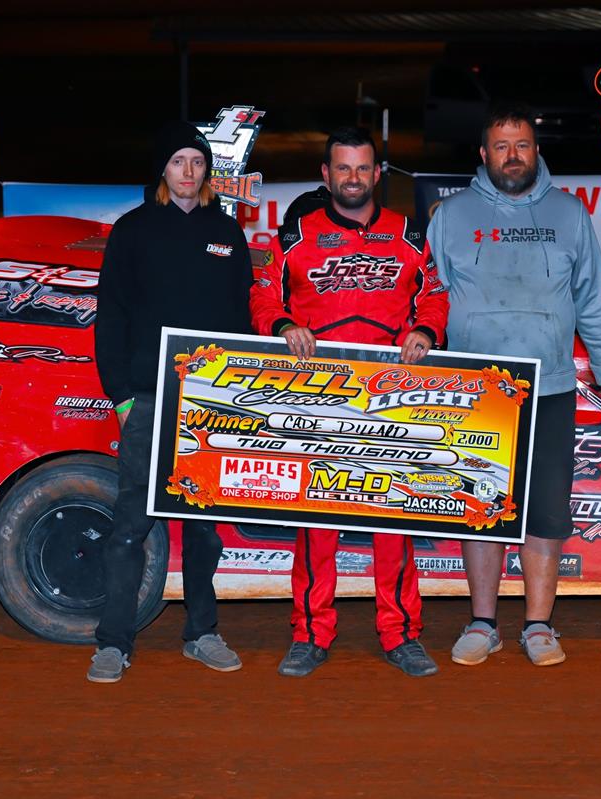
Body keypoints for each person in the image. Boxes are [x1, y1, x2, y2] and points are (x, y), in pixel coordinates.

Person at [426, 102, 601, 667]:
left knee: (545, 510)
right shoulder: (452, 215)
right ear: (483, 154)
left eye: (522, 146)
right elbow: (428, 298)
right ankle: (482, 623)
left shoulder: (570, 213)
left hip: (550, 385)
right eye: (501, 147)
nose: (512, 157)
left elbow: (592, 298)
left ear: (536, 151)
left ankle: (539, 625)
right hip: (475, 390)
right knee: (478, 505)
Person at [250, 127, 449, 677]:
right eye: (343, 168)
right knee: (316, 522)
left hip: (394, 398)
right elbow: (262, 293)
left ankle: (401, 634)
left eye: (363, 168)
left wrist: (426, 331)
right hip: (317, 398)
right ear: (326, 174)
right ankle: (310, 633)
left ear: (377, 174)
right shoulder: (296, 234)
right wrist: (281, 324)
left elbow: (434, 295)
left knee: (394, 520)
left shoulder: (408, 233)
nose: (353, 178)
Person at [90, 120, 253, 683]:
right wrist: (121, 398)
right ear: (163, 168)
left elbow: (242, 321)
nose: (189, 171)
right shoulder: (132, 230)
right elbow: (111, 316)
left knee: (204, 528)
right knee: (130, 526)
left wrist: (237, 395)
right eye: (179, 160)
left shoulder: (226, 233)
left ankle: (202, 633)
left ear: (208, 170)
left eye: (198, 161)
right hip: (146, 398)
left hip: (210, 403)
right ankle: (113, 642)